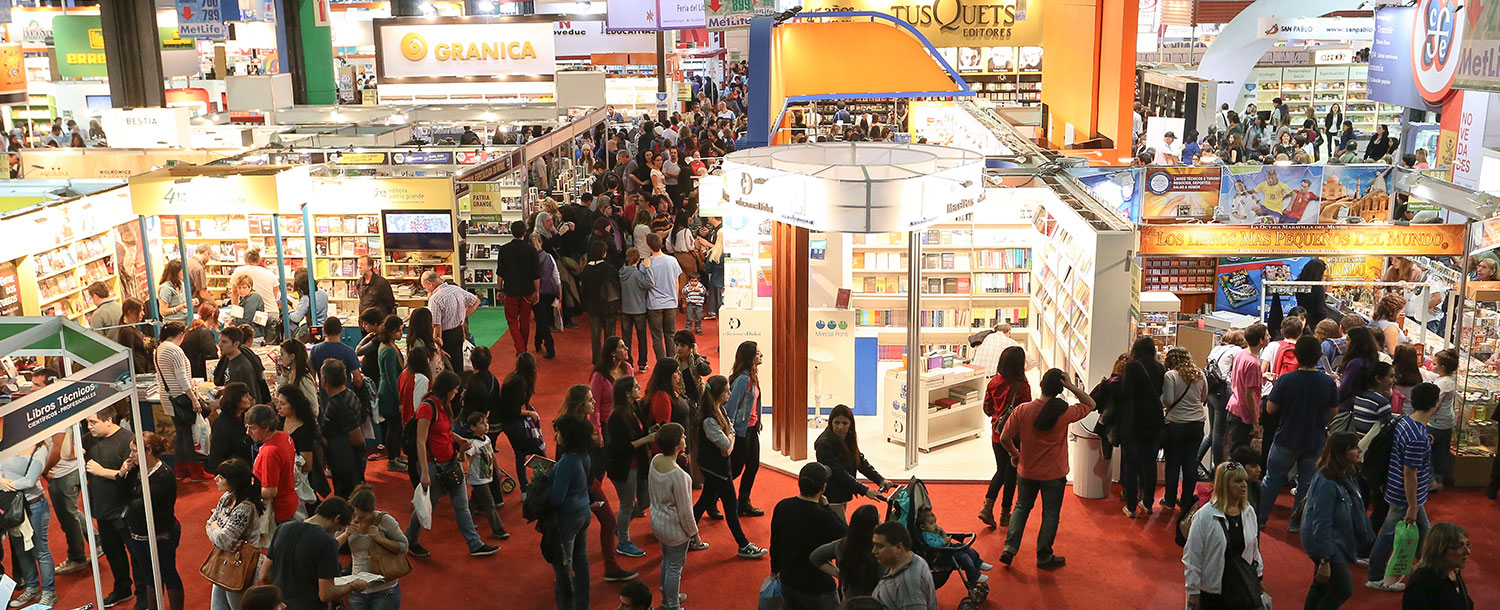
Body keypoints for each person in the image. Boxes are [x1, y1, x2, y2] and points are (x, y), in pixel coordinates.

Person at [999, 369, 1095, 569]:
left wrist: (1015, 454)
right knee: (1050, 514)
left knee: (1021, 507)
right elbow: (1091, 404)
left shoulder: (1023, 410)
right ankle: (1043, 556)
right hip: (1054, 472)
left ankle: (1009, 548)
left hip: (1027, 470)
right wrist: (1070, 386)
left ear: (1041, 384)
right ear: (1060, 389)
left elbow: (1004, 437)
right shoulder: (1065, 413)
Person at [404, 371, 500, 558]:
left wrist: (458, 439)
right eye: (455, 390)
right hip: (435, 466)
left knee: (461, 505)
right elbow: (420, 442)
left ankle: (474, 543)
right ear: (447, 390)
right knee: (426, 507)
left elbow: (445, 432)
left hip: (450, 462)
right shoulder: (427, 408)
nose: (457, 393)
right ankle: (410, 539)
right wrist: (424, 471)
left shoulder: (442, 405)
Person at [555, 385, 639, 583]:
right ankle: (604, 568)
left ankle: (575, 572)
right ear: (580, 404)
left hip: (590, 483)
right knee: (600, 525)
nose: (595, 403)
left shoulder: (577, 423)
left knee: (581, 532)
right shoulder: (575, 428)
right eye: (590, 400)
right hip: (586, 486)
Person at [1257, 336, 1338, 533]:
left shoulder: (1287, 379)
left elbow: (1270, 408)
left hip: (1286, 437)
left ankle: (1260, 518)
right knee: (1306, 483)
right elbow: (1333, 412)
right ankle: (1296, 523)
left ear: (1297, 355)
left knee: (1272, 479)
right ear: (1318, 356)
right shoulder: (1327, 382)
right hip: (1315, 439)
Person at [1367, 382, 1438, 592]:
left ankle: (1429, 572)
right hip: (1406, 495)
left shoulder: (1407, 423)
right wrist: (1413, 506)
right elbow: (1410, 472)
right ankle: (1376, 575)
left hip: (1397, 488)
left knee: (1424, 532)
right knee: (1389, 534)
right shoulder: (1417, 435)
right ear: (1434, 404)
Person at [1301, 432, 1374, 610]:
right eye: (1354, 448)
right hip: (1329, 544)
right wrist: (1325, 560)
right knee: (1343, 588)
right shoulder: (1327, 481)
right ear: (1341, 452)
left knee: (1321, 585)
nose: (1359, 450)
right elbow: (1321, 521)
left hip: (1336, 540)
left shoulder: (1346, 475)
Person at [260, 496, 369, 610]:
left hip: (280, 604)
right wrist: (352, 586)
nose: (335, 533)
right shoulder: (327, 541)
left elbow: (264, 575)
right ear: (337, 518)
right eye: (338, 529)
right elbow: (326, 594)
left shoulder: (283, 528)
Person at [1182, 462, 1264, 610]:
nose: (1244, 485)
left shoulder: (1249, 512)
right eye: (1238, 481)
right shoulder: (1204, 516)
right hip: (1213, 592)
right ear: (1224, 485)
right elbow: (1192, 556)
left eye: (1245, 480)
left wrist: (1258, 577)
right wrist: (1193, 591)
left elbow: (1254, 549)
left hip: (1241, 587)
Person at [771, 463, 849, 610]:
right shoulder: (824, 517)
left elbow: (775, 543)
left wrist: (774, 569)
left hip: (789, 579)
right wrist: (827, 508)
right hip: (818, 585)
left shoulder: (782, 506)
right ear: (823, 488)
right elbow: (846, 535)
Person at [121, 432, 183, 610]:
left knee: (168, 573)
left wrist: (129, 501)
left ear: (148, 450)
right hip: (139, 534)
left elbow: (141, 504)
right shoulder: (136, 470)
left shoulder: (163, 475)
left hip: (161, 534)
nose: (130, 455)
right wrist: (122, 473)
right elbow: (123, 495)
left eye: (134, 451)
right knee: (148, 575)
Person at [83, 408, 137, 607]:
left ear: (108, 420)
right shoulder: (89, 439)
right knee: (113, 554)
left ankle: (144, 594)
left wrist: (101, 471)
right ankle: (122, 589)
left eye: (93, 422)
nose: (89, 427)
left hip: (124, 511)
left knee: (137, 556)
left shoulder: (127, 440)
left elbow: (129, 475)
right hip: (102, 509)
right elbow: (69, 454)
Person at [43, 375, 91, 575]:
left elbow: (57, 449)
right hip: (65, 471)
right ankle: (97, 541)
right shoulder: (52, 407)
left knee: (68, 518)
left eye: (37, 384)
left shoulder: (55, 411)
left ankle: (77, 558)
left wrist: (44, 470)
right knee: (71, 512)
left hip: (63, 473)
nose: (32, 388)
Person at [815, 404, 893, 522]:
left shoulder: (847, 437)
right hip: (830, 495)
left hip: (841, 493)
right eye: (836, 423)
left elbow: (859, 461)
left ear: (850, 424)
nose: (840, 427)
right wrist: (865, 490)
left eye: (845, 423)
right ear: (831, 422)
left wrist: (880, 480)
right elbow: (839, 473)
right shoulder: (824, 444)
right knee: (837, 529)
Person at [648, 423, 697, 609]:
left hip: (657, 522)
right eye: (683, 435)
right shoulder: (680, 476)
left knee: (667, 561)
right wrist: (694, 534)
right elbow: (685, 512)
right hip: (674, 530)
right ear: (677, 445)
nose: (685, 437)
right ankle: (672, 604)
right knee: (675, 567)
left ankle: (667, 595)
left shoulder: (656, 460)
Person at [2, 441, 56, 607]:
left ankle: (49, 592)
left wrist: (3, 484)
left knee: (40, 550)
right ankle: (32, 588)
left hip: (35, 505)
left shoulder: (40, 448)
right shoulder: (6, 445)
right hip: (10, 506)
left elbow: (30, 481)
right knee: (21, 551)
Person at [980, 346, 1029, 527]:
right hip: (1015, 436)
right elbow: (1025, 412)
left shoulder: (993, 382)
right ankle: (1005, 513)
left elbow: (986, 407)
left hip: (997, 434)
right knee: (1012, 475)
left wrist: (996, 418)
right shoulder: (1022, 387)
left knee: (1001, 470)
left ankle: (987, 506)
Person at [607, 376, 654, 559]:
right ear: (627, 393)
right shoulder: (617, 417)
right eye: (635, 386)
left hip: (638, 464)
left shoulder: (635, 408)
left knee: (645, 499)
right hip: (624, 468)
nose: (639, 387)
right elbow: (622, 447)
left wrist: (650, 433)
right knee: (627, 505)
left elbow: (641, 431)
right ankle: (623, 542)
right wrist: (647, 439)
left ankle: (620, 527)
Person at [551, 416, 596, 610]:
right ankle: (582, 604)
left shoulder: (566, 462)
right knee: (581, 560)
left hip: (568, 518)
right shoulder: (584, 455)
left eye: (558, 432)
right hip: (583, 512)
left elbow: (556, 499)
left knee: (564, 568)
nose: (556, 435)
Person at [206, 458, 263, 610]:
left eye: (221, 477)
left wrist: (214, 527)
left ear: (234, 481)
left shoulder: (244, 509)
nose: (215, 479)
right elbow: (209, 524)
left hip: (241, 565)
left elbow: (223, 540)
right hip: (224, 560)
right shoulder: (226, 498)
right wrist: (215, 529)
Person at [341, 485, 409, 610]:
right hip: (358, 589)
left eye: (362, 517)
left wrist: (380, 539)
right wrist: (345, 534)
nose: (356, 519)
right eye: (354, 514)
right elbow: (331, 546)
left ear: (372, 511)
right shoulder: (348, 520)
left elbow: (404, 547)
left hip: (385, 590)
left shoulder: (385, 520)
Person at [156, 321, 208, 481]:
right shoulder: (175, 350)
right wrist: (194, 399)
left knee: (180, 433)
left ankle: (180, 469)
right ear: (180, 334)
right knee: (187, 434)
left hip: (168, 397)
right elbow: (182, 378)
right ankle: (195, 471)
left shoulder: (159, 349)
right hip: (179, 397)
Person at [1120, 336, 1166, 518]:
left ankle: (1130, 505)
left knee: (1132, 462)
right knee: (1150, 463)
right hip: (1155, 420)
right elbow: (1160, 391)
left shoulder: (1131, 367)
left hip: (1135, 420)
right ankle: (1147, 503)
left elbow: (1125, 392)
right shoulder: (1159, 367)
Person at [1161, 347, 1209, 511]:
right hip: (1197, 423)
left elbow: (1168, 400)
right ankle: (1187, 500)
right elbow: (1203, 397)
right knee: (1190, 464)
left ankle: (1169, 499)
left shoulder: (1170, 375)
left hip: (1175, 424)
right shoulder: (1199, 374)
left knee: (1173, 464)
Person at [724, 341, 766, 517]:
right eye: (757, 352)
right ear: (750, 357)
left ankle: (743, 503)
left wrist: (758, 420)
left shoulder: (752, 375)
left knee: (753, 465)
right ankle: (713, 498)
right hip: (741, 432)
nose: (761, 355)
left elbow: (753, 402)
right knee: (735, 469)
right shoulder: (742, 379)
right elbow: (731, 407)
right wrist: (731, 431)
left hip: (752, 429)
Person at [809, 504, 883, 599]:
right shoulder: (879, 551)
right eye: (879, 519)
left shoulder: (842, 545)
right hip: (873, 601)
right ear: (874, 527)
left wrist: (841, 574)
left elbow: (815, 557)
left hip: (848, 599)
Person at [497, 352, 545, 489]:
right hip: (512, 422)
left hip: (510, 421)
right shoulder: (520, 383)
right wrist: (530, 413)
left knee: (522, 453)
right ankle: (531, 485)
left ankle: (526, 487)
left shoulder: (515, 377)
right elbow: (513, 409)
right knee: (530, 451)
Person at [246, 404, 300, 525]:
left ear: (266, 427)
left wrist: (244, 491)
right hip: (290, 501)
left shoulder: (270, 452)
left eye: (252, 428)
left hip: (277, 509)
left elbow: (270, 491)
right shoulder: (285, 437)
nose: (248, 432)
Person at [1401, 523, 1473, 609]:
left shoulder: (1453, 572)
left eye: (1467, 545)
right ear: (1439, 549)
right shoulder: (1422, 582)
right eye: (1459, 546)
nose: (1468, 552)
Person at [321, 360, 366, 498]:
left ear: (324, 380)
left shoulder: (339, 405)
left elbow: (357, 438)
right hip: (348, 459)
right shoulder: (349, 394)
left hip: (346, 462)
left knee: (348, 500)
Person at [461, 412, 508, 540]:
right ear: (473, 428)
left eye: (486, 423)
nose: (486, 426)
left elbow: (492, 455)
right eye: (482, 423)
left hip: (487, 476)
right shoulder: (473, 443)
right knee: (489, 504)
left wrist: (497, 470)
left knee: (475, 500)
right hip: (478, 479)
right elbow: (466, 456)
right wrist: (462, 449)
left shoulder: (487, 439)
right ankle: (498, 529)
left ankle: (466, 521)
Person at [871, 521, 939, 610]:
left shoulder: (907, 586)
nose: (874, 551)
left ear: (898, 547)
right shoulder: (915, 561)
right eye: (874, 545)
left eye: (880, 546)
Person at [497, 220, 540, 355]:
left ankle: (520, 348)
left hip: (511, 290)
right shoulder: (531, 250)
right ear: (525, 232)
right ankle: (523, 347)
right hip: (527, 290)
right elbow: (536, 274)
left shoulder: (504, 250)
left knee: (512, 320)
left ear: (511, 232)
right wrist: (537, 291)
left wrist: (499, 289)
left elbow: (500, 272)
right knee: (525, 320)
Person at [917, 507, 991, 584]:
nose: (935, 525)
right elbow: (933, 545)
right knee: (965, 558)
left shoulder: (933, 531)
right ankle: (974, 576)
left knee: (969, 550)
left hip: (950, 547)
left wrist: (942, 533)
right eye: (931, 524)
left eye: (935, 522)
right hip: (944, 553)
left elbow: (945, 538)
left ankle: (979, 563)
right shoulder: (926, 535)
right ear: (922, 527)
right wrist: (944, 541)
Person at [640, 233, 683, 364]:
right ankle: (672, 363)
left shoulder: (645, 264)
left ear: (648, 246)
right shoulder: (672, 260)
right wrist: (675, 299)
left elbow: (645, 285)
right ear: (661, 244)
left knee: (657, 336)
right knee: (670, 335)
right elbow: (677, 281)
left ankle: (662, 364)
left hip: (654, 305)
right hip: (670, 303)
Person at [1226, 323, 1269, 456]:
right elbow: (1249, 394)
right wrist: (1255, 421)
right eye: (1267, 335)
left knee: (1233, 448)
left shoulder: (1242, 354)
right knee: (1239, 452)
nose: (1269, 337)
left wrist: (1261, 376)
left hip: (1234, 406)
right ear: (1261, 341)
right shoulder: (1254, 363)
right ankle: (1234, 475)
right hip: (1243, 414)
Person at [422, 271, 479, 368]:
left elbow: (436, 325)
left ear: (429, 284)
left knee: (447, 365)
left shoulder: (435, 299)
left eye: (425, 287)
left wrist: (436, 343)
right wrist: (463, 316)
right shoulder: (456, 289)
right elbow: (476, 301)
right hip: (458, 331)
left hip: (445, 336)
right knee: (458, 362)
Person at [375, 315, 409, 473]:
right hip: (390, 393)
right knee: (394, 428)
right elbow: (391, 378)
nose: (401, 334)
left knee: (394, 427)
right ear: (390, 331)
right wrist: (399, 400)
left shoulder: (388, 345)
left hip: (391, 390)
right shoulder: (388, 350)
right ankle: (393, 459)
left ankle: (396, 456)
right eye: (398, 331)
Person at [579, 240, 622, 361]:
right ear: (603, 253)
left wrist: (585, 306)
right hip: (609, 307)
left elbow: (583, 291)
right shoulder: (610, 269)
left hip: (593, 307)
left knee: (595, 335)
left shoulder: (586, 270)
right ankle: (610, 358)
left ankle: (597, 359)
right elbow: (617, 286)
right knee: (610, 335)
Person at [205, 382, 254, 476]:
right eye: (246, 396)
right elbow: (217, 455)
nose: (250, 398)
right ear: (235, 399)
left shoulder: (245, 418)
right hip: (233, 472)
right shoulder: (222, 423)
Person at [1429, 349, 1460, 491]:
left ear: (1442, 367)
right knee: (1442, 452)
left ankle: (1431, 480)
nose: (1431, 365)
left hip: (1436, 422)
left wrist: (1425, 415)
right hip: (1447, 422)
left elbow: (1435, 404)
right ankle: (1439, 478)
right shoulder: (1449, 380)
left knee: (1430, 452)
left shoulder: (1442, 383)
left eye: (1434, 364)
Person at [619, 249, 654, 370]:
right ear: (638, 260)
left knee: (626, 338)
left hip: (625, 309)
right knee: (642, 337)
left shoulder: (621, 273)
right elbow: (650, 283)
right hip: (639, 309)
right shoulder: (638, 274)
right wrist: (648, 268)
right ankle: (642, 363)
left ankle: (628, 363)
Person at [1351, 362, 1397, 436]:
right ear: (1378, 379)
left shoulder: (1359, 396)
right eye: (1391, 376)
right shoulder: (1382, 402)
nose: (1395, 380)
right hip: (1374, 445)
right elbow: (1389, 429)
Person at [672, 330, 712, 405]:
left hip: (700, 397)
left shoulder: (696, 359)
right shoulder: (673, 363)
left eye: (683, 345)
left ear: (691, 347)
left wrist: (696, 354)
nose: (679, 348)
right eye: (677, 345)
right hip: (682, 401)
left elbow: (706, 372)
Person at [287, 269, 329, 338]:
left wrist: (289, 309)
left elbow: (296, 318)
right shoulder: (322, 293)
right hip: (323, 329)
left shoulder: (306, 298)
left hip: (312, 331)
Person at [183, 302, 221, 380]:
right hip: (201, 374)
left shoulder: (189, 330)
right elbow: (211, 357)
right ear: (213, 316)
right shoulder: (205, 333)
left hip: (189, 373)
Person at [119, 298, 154, 374]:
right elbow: (131, 356)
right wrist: (142, 373)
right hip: (140, 371)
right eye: (140, 311)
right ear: (130, 312)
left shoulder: (134, 326)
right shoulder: (127, 331)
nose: (143, 313)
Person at [356, 255, 397, 319]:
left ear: (370, 266)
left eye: (362, 264)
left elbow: (390, 303)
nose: (359, 267)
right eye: (358, 265)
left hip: (378, 322)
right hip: (364, 321)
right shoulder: (359, 282)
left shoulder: (381, 283)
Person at [229, 276, 266, 343]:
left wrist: (233, 321)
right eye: (239, 288)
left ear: (250, 287)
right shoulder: (245, 298)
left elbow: (247, 320)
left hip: (254, 336)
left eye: (244, 287)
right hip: (249, 335)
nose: (241, 290)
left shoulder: (252, 298)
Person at [158, 259, 191, 323]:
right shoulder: (166, 288)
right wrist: (182, 306)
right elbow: (163, 311)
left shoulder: (182, 284)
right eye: (182, 271)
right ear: (176, 273)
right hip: (172, 323)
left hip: (185, 320)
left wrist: (191, 302)